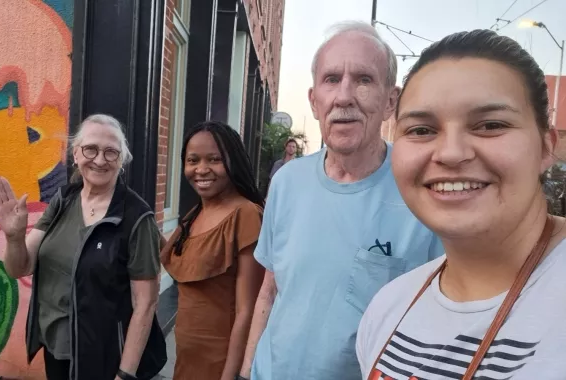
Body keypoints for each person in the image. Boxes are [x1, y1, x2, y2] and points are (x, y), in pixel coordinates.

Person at [238, 21, 443, 380]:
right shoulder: (286, 182)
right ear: (314, 100)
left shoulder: (423, 191)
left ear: (390, 101)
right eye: (331, 79)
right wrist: (245, 372)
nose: (344, 96)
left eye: (363, 79)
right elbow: (269, 292)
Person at [356, 29, 566, 380]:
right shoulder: (388, 307)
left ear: (546, 146)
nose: (451, 153)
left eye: (490, 125)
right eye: (421, 130)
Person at [0, 114, 166, 380]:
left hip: (105, 355)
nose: (100, 159)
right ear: (76, 154)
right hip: (56, 347)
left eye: (111, 152)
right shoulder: (63, 200)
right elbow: (19, 268)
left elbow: (146, 302)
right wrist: (14, 237)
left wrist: (125, 375)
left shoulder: (137, 218)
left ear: (122, 161)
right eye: (91, 149)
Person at [160, 121, 265, 380]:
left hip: (220, 364)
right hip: (186, 361)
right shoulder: (195, 214)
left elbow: (247, 310)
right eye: (192, 160)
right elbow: (185, 265)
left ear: (234, 162)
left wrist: (231, 375)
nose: (202, 169)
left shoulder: (246, 215)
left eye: (214, 159)